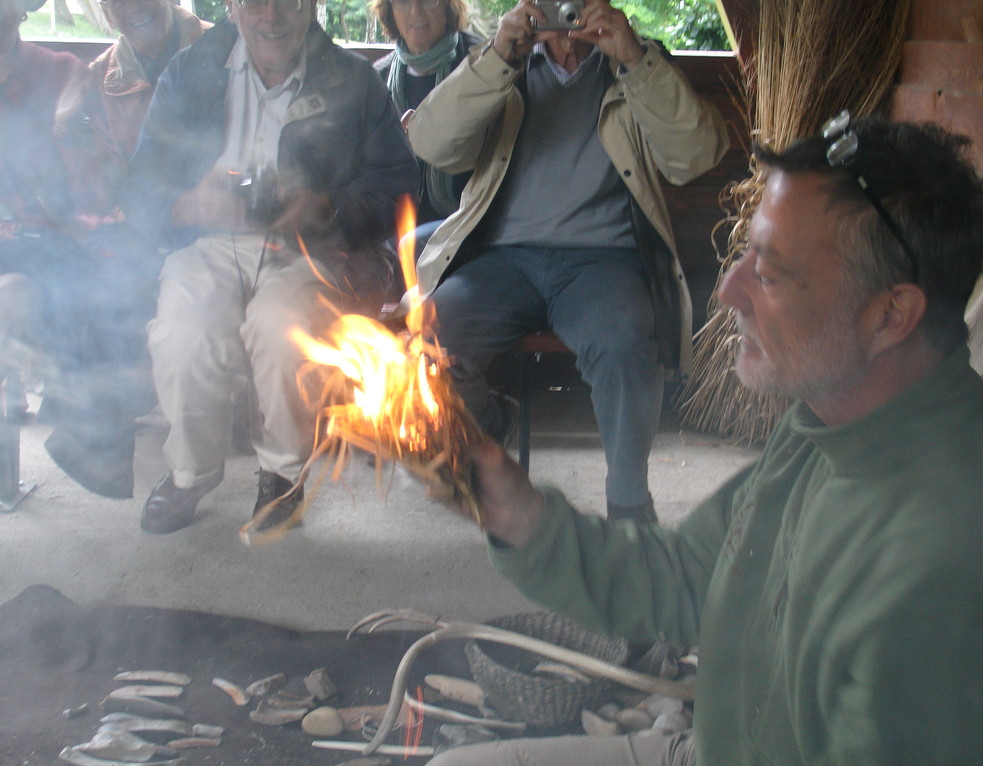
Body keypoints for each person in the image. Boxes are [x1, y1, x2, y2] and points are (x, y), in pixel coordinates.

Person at [423, 117, 983, 766]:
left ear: (890, 315)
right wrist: (514, 510)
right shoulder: (831, 421)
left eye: (767, 274)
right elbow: (687, 579)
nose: (727, 291)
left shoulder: (943, 568)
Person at [407, 0, 729, 523]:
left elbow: (697, 155)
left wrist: (633, 58)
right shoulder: (499, 62)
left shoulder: (637, 63)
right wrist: (496, 59)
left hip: (603, 261)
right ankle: (488, 431)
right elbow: (432, 144)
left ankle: (629, 507)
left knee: (624, 342)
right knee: (432, 334)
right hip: (502, 258)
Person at [122, 0, 419, 534]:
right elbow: (140, 182)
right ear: (232, 9)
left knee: (283, 327)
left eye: (289, 2)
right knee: (183, 332)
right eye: (256, 1)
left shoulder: (352, 80)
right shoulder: (191, 71)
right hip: (209, 240)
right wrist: (186, 203)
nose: (272, 15)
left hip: (313, 248)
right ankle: (191, 473)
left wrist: (325, 207)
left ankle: (282, 473)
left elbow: (398, 185)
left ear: (311, 10)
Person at [0, 0, 153, 498]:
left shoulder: (61, 74)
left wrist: (73, 134)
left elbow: (95, 191)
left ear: (19, 14)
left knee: (95, 277)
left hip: (45, 239)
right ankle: (94, 427)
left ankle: (96, 431)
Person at [369, 0, 479, 242]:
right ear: (390, 12)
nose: (415, 12)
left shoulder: (480, 66)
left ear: (449, 8)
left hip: (465, 223)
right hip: (394, 220)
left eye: (429, 1)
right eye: (403, 2)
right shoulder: (376, 80)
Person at [88, 0, 211, 168]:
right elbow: (100, 173)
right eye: (118, 2)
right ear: (107, 14)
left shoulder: (224, 47)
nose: (134, 6)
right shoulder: (97, 78)